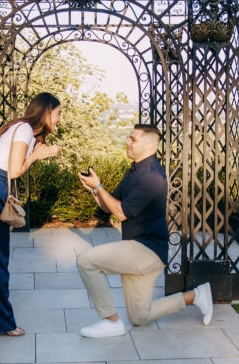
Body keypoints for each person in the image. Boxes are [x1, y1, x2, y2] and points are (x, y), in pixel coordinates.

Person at [75, 124, 213, 337]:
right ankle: (196, 295)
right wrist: (95, 189)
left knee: (86, 261)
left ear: (149, 145)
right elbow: (111, 205)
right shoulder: (135, 170)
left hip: (147, 249)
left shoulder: (152, 177)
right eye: (129, 138)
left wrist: (99, 187)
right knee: (139, 317)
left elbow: (121, 214)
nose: (128, 143)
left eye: (133, 140)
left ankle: (110, 322)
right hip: (139, 247)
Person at [0, 92, 62, 336]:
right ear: (46, 112)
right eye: (57, 113)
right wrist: (35, 156)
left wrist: (35, 152)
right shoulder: (23, 130)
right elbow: (14, 170)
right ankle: (3, 323)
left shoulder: (24, 130)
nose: (59, 119)